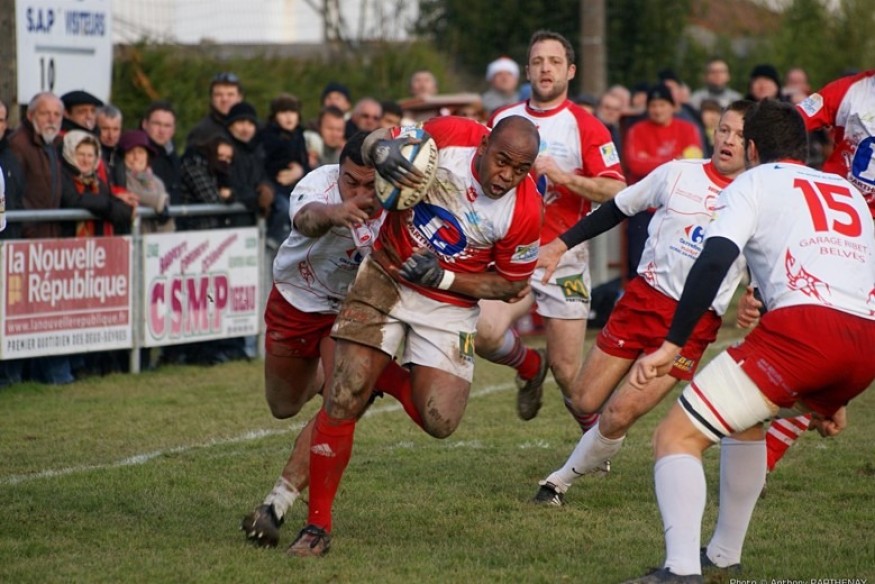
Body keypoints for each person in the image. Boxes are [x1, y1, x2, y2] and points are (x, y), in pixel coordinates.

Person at [624, 99, 875, 582]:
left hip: (806, 332)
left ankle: (679, 570)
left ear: (753, 148)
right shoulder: (846, 189)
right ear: (804, 146)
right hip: (864, 341)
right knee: (747, 421)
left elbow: (715, 259)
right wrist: (839, 391)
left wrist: (672, 344)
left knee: (675, 436)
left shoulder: (753, 182)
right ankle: (723, 555)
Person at [287, 114, 543, 557]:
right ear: (483, 147)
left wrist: (445, 278)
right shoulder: (452, 135)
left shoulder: (525, 210)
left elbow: (510, 284)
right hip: (386, 271)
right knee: (344, 393)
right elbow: (377, 138)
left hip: (450, 302)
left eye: (520, 169)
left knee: (439, 420)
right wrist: (380, 150)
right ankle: (317, 527)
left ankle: (384, 373)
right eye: (502, 161)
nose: (507, 176)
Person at [530, 100, 755, 507]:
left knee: (619, 413)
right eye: (724, 130)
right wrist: (560, 245)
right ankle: (598, 446)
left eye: (740, 135)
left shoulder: (757, 197)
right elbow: (617, 208)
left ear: (753, 145)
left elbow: (767, 257)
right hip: (642, 300)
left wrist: (754, 295)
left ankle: (557, 484)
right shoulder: (677, 173)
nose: (728, 140)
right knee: (583, 400)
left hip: (692, 322)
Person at [240, 131, 425, 547]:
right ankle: (345, 375)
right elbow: (307, 218)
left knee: (343, 402)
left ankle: (277, 504)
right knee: (283, 406)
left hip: (352, 308)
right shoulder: (318, 185)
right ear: (337, 173)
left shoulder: (400, 201)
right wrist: (334, 212)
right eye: (350, 182)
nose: (360, 193)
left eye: (369, 184)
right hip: (296, 300)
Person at [477, 30, 625, 428]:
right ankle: (529, 365)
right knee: (483, 332)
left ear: (570, 71)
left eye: (555, 62)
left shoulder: (586, 125)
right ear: (527, 71)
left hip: (564, 257)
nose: (546, 69)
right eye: (538, 61)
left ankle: (597, 445)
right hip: (510, 253)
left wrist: (563, 177)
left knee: (569, 374)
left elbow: (617, 189)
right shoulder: (502, 119)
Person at [762, 68, 875, 470]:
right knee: (814, 338)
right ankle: (765, 454)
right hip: (834, 228)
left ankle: (829, 403)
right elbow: (794, 124)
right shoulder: (850, 91)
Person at [261, 93, 311, 246]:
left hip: (296, 186)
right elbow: (264, 164)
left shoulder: (300, 135)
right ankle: (273, 240)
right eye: (283, 112)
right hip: (274, 186)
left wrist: (299, 171)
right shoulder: (267, 136)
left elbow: (305, 164)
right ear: (275, 116)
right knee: (284, 208)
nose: (289, 117)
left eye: (293, 112)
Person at [117, 130, 174, 233]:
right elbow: (131, 194)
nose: (136, 157)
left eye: (140, 152)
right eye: (131, 152)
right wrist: (159, 201)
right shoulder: (120, 177)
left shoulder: (158, 182)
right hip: (132, 235)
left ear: (147, 156)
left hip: (157, 237)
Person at [141, 101, 183, 206]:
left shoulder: (173, 155)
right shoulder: (135, 154)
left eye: (167, 125)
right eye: (157, 124)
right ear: (145, 124)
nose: (162, 130)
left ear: (173, 129)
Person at [186, 72, 243, 147]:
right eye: (218, 95)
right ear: (211, 98)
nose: (224, 99)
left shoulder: (253, 130)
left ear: (239, 98)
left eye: (230, 95)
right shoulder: (201, 132)